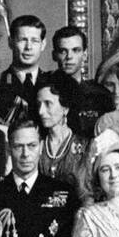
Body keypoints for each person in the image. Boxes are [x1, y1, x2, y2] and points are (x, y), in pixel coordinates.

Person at [33, 70, 92, 201]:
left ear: (65, 108)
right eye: (39, 105)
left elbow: (88, 195)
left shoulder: (86, 147)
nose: (41, 111)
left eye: (48, 104)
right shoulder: (36, 145)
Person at [52, 26, 113, 140]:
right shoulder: (45, 94)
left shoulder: (100, 95)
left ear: (84, 55)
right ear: (54, 55)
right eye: (63, 51)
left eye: (75, 50)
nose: (69, 57)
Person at [0, 15, 47, 127]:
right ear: (10, 42)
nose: (28, 47)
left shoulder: (52, 83)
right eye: (22, 40)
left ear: (43, 45)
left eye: (35, 41)